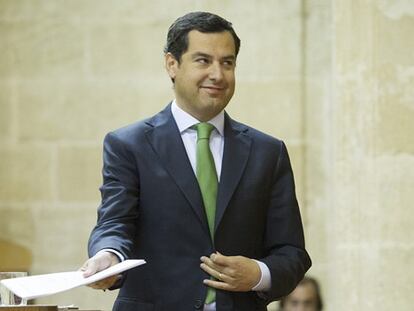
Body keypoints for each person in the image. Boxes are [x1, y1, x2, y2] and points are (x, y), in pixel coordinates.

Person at [81, 11, 311, 311]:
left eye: (227, 63)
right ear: (171, 64)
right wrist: (108, 256)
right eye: (203, 60)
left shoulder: (268, 152)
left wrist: (258, 274)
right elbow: (114, 223)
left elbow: (291, 252)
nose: (217, 74)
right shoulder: (129, 145)